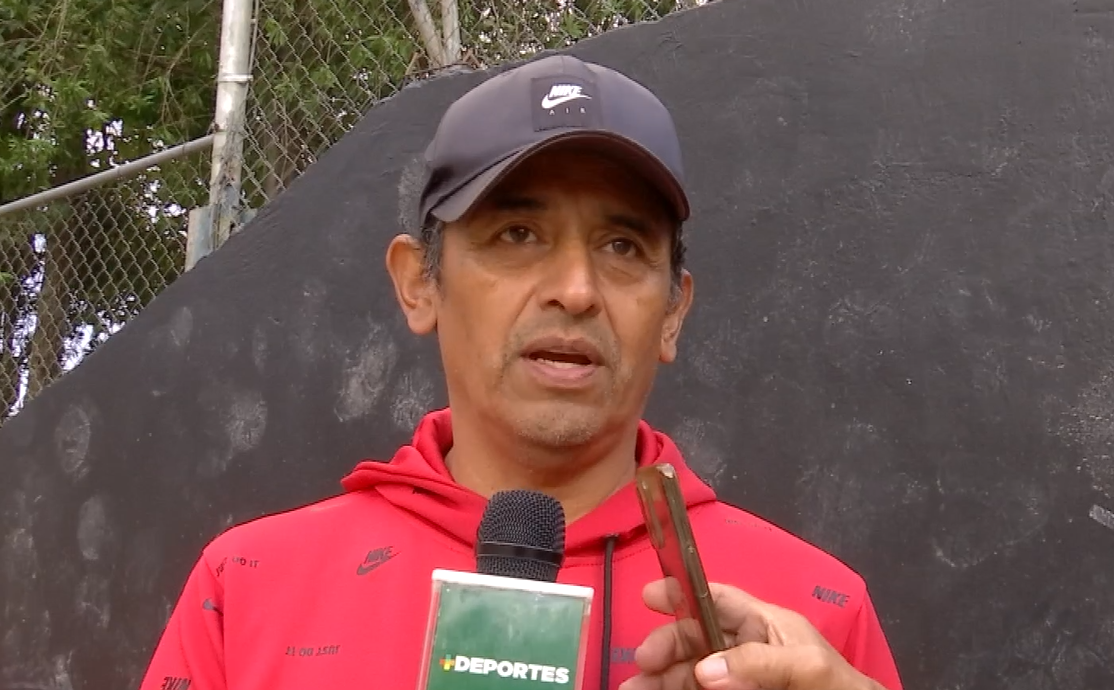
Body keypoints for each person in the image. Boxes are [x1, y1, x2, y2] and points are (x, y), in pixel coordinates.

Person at [138, 54, 903, 690]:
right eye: (517, 234)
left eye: (623, 247)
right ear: (419, 284)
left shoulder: (811, 622)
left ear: (673, 312)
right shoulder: (249, 589)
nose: (575, 289)